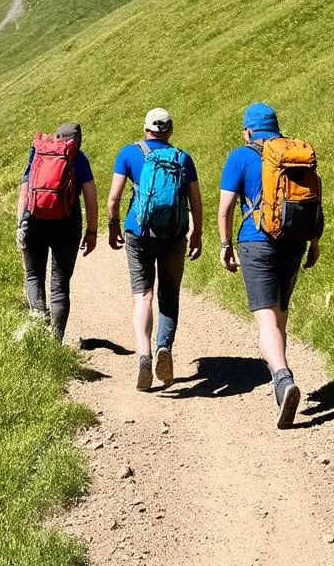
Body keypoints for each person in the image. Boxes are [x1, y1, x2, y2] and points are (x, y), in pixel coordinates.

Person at [217, 103, 323, 428]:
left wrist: (225, 245)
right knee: (280, 318)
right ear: (276, 126)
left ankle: (282, 378)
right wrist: (314, 243)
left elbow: (225, 209)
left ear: (248, 130)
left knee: (265, 321)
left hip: (256, 241)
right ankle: (282, 385)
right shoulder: (296, 153)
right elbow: (314, 201)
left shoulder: (240, 156)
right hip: (295, 240)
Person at [108, 108, 203, 391]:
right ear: (170, 131)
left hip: (138, 233)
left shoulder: (128, 153)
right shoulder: (183, 158)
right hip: (174, 235)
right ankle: (165, 346)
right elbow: (195, 201)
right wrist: (196, 234)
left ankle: (144, 354)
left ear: (146, 128)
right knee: (169, 294)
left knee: (143, 295)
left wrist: (113, 225)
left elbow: (113, 199)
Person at [16, 122, 99, 342]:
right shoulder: (79, 159)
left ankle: (38, 318)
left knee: (34, 275)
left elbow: (25, 190)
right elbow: (90, 197)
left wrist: (20, 225)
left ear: (56, 136)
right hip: (67, 225)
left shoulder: (39, 154)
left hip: (34, 222)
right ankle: (55, 341)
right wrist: (91, 232)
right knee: (60, 284)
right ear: (78, 141)